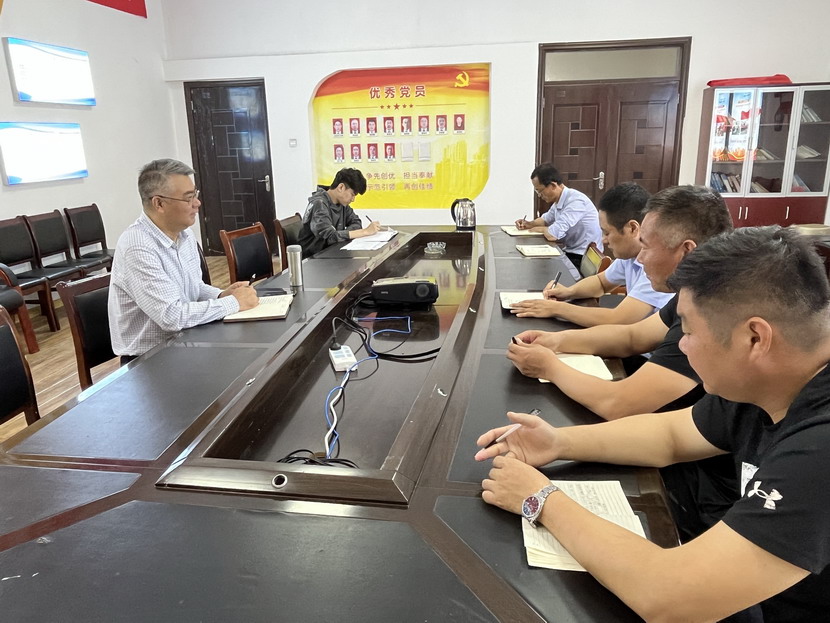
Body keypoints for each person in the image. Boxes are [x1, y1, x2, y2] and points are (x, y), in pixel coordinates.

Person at [478, 226, 830, 622]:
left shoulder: (820, 446)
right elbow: (671, 435)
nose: (680, 344)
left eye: (689, 331)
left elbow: (669, 596)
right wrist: (559, 442)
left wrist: (540, 499)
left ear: (755, 338)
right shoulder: (773, 378)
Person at [507, 185, 736, 539]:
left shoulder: (715, 315)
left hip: (705, 490)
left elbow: (621, 403)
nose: (638, 260)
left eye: (646, 247)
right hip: (686, 450)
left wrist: (549, 367)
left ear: (687, 251)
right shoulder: (694, 294)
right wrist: (555, 341)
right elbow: (633, 337)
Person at [109, 159, 258, 361]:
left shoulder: (185, 234)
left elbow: (194, 288)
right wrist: (233, 303)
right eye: (188, 198)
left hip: (187, 342)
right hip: (150, 360)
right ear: (159, 203)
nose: (197, 203)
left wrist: (221, 295)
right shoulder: (137, 246)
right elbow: (171, 316)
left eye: (195, 194)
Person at [510, 183, 673, 327]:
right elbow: (601, 283)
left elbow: (617, 319)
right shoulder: (629, 256)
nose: (603, 240)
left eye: (607, 233)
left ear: (632, 228)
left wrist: (556, 309)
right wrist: (568, 292)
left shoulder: (657, 265)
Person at [515, 163, 603, 266]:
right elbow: (545, 220)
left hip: (582, 258)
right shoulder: (559, 200)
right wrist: (529, 224)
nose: (539, 195)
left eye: (540, 191)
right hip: (571, 252)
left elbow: (553, 235)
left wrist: (538, 229)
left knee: (542, 268)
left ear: (553, 185)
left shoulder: (576, 202)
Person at [296, 168, 380, 258]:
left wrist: (340, 234)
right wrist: (364, 232)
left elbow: (356, 222)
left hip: (332, 253)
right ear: (341, 187)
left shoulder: (342, 203)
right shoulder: (319, 203)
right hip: (313, 259)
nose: (353, 199)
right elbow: (329, 237)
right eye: (352, 194)